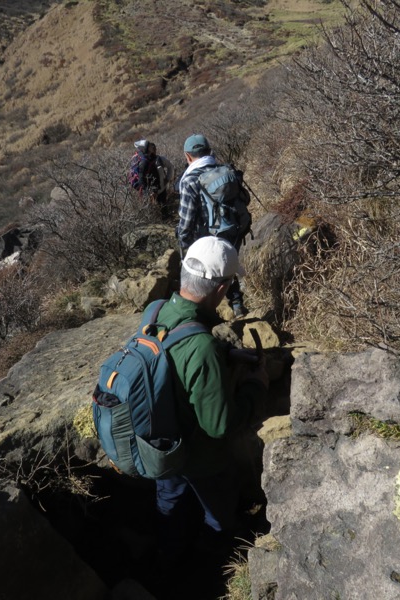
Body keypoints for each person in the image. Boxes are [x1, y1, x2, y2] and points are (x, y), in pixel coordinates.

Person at [151, 236, 269, 570]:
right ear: (221, 288)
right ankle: (209, 570)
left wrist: (226, 354)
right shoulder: (202, 348)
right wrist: (254, 387)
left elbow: (175, 356)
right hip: (200, 458)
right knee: (217, 514)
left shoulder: (157, 310)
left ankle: (167, 562)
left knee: (169, 505)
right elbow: (220, 426)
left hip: (161, 445)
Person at [176, 133, 248, 317]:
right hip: (231, 229)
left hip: (206, 235)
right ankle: (237, 305)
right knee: (226, 264)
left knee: (204, 276)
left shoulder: (189, 180)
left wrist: (185, 246)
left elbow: (186, 221)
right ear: (209, 151)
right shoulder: (224, 171)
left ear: (188, 156)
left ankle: (205, 315)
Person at [130, 140, 175, 218]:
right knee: (153, 208)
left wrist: (168, 179)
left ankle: (163, 217)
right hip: (151, 189)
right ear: (147, 149)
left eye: (153, 147)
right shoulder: (144, 162)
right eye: (151, 147)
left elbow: (170, 166)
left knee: (162, 204)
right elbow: (141, 179)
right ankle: (157, 219)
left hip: (159, 187)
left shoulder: (157, 159)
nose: (153, 149)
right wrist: (148, 191)